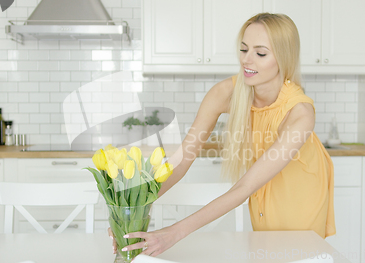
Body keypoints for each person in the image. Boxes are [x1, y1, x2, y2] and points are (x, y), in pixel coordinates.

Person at [110, 12, 336, 257]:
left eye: (260, 53)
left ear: (284, 57)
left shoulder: (299, 114)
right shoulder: (225, 93)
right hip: (263, 215)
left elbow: (244, 187)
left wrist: (172, 234)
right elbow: (182, 159)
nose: (247, 60)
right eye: (243, 49)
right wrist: (131, 209)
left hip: (301, 212)